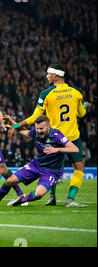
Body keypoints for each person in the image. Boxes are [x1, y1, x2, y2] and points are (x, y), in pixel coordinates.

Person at [8, 64, 91, 207]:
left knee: (51, 168)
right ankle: (70, 200)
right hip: (72, 137)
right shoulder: (76, 92)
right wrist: (85, 106)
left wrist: (15, 126)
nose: (46, 76)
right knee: (79, 169)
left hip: (54, 138)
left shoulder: (46, 94)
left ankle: (52, 197)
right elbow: (81, 114)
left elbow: (34, 118)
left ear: (55, 75)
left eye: (48, 74)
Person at [0, 115, 79, 206]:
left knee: (39, 194)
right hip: (36, 165)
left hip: (51, 171)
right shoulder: (36, 132)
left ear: (48, 127)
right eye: (37, 128)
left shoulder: (56, 135)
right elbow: (25, 132)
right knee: (9, 181)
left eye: (41, 129)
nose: (39, 131)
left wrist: (57, 149)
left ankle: (20, 201)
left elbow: (75, 149)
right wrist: (12, 123)